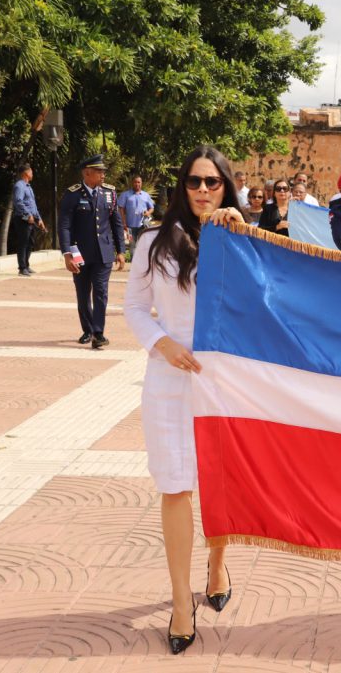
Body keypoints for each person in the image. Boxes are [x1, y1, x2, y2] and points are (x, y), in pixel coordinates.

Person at [124, 145, 244, 654]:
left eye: (212, 182)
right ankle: (179, 601)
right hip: (170, 381)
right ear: (182, 185)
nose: (202, 190)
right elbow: (134, 305)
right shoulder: (154, 241)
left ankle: (217, 566)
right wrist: (162, 343)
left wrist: (242, 236)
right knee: (175, 485)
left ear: (225, 186)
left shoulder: (242, 238)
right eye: (194, 181)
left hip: (226, 383)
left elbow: (265, 302)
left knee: (219, 482)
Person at [58, 154, 126, 349]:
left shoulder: (109, 193)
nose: (103, 175)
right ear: (87, 173)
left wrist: (121, 251)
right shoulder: (72, 194)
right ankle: (87, 329)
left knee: (101, 291)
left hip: (104, 252)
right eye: (99, 171)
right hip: (79, 252)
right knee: (83, 293)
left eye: (104, 171)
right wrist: (67, 254)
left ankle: (98, 333)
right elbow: (64, 226)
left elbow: (116, 224)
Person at [12, 164, 45, 277]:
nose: (32, 174)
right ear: (25, 173)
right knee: (23, 242)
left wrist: (39, 219)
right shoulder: (19, 186)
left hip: (31, 218)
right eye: (31, 171)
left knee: (30, 243)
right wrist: (27, 214)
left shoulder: (28, 187)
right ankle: (22, 268)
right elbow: (18, 202)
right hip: (23, 218)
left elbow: (33, 206)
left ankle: (26, 265)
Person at [118, 175, 155, 247]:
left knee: (142, 246)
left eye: (139, 182)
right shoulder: (125, 195)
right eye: (135, 182)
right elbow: (121, 209)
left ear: (141, 183)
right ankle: (133, 254)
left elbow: (152, 208)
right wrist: (123, 222)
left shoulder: (146, 195)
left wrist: (148, 212)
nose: (137, 184)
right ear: (132, 183)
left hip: (143, 226)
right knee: (132, 246)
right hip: (129, 227)